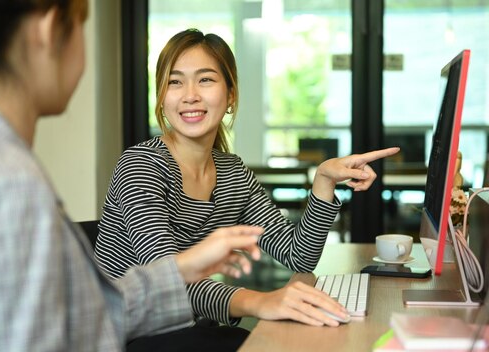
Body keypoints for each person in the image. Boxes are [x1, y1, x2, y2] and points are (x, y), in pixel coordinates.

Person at [0, 2, 264, 351]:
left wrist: (180, 269)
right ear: (49, 30)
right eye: (80, 30)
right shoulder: (5, 187)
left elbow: (78, 319)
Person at [94, 28, 400, 329]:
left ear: (230, 95)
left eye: (205, 80)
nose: (190, 95)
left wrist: (323, 181)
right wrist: (261, 302)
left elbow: (298, 256)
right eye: (175, 82)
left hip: (184, 329)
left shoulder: (232, 174)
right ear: (161, 97)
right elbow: (169, 279)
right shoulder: (140, 166)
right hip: (124, 334)